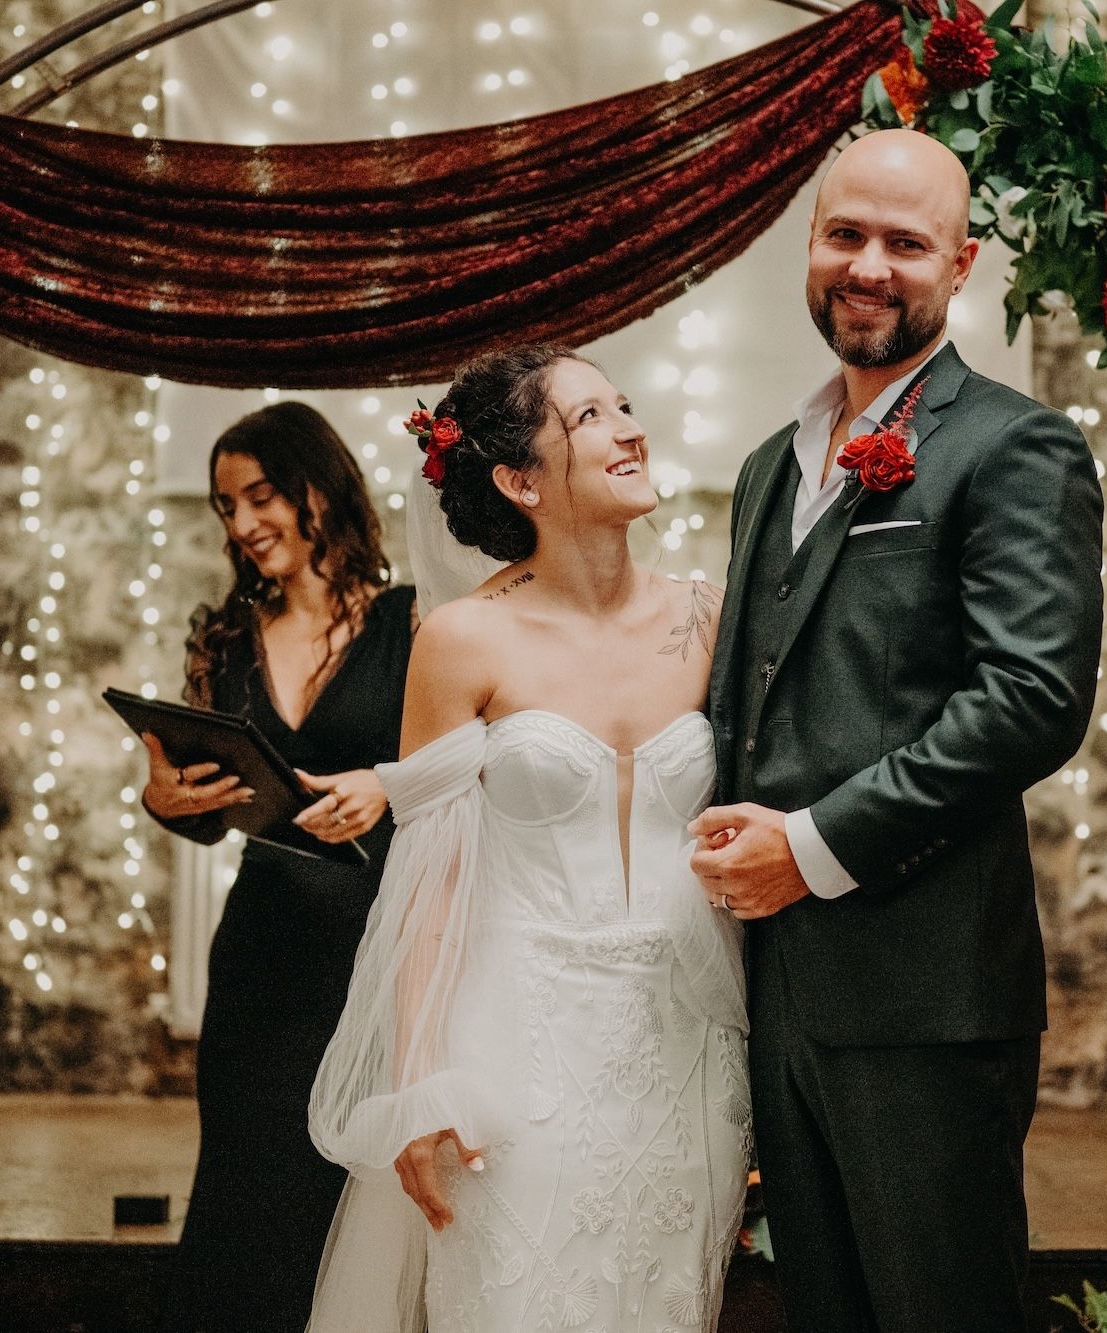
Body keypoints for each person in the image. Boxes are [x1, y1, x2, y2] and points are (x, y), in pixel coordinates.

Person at [690, 128, 1106, 1332]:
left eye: (904, 243)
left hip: (926, 997)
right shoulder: (773, 464)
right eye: (844, 235)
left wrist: (809, 847)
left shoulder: (1013, 446)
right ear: (808, 246)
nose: (868, 266)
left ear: (959, 264)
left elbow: (1029, 697)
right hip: (777, 994)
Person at [305, 345, 748, 1333]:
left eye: (623, 404)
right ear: (518, 479)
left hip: (689, 1049)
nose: (628, 426)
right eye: (589, 417)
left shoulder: (712, 616)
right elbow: (429, 880)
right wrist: (419, 1081)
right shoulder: (464, 639)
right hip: (514, 1051)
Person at [140, 402, 417, 1333]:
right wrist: (166, 804)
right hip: (260, 951)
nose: (243, 523)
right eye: (226, 506)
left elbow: (456, 785)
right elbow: (213, 822)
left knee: (344, 1200)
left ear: (320, 488)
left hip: (375, 948)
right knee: (244, 1195)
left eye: (260, 495)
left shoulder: (415, 626)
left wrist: (383, 783)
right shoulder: (222, 637)